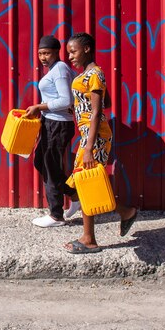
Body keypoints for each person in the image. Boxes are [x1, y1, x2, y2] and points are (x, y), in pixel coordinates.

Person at [63, 32, 137, 253]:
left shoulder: (95, 74)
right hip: (88, 134)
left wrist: (88, 148)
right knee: (76, 185)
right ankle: (125, 212)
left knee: (85, 183)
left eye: (73, 51)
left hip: (94, 137)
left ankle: (89, 239)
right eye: (68, 53)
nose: (70, 57)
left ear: (86, 49)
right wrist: (78, 107)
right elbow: (107, 101)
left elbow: (96, 113)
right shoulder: (87, 75)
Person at [24, 35, 76, 227]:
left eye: (46, 53)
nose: (43, 57)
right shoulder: (54, 69)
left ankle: (56, 215)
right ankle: (73, 194)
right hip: (50, 123)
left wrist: (39, 106)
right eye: (40, 54)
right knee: (42, 161)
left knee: (50, 167)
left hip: (59, 125)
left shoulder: (60, 69)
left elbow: (66, 100)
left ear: (56, 52)